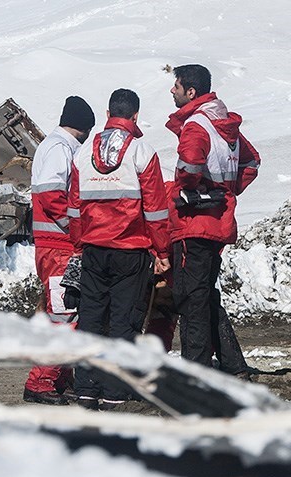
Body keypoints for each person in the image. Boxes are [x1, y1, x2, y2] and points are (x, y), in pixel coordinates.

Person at [68, 88, 171, 410]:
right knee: (124, 321)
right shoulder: (142, 152)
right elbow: (155, 208)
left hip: (93, 250)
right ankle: (114, 392)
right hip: (131, 249)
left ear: (108, 112)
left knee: (91, 319)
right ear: (135, 116)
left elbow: (74, 207)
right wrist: (162, 251)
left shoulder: (83, 154)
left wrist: (78, 243)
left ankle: (86, 387)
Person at [165, 64, 260, 378]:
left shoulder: (196, 125)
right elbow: (252, 161)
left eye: (175, 86)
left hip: (194, 223)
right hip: (217, 222)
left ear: (191, 92)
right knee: (204, 293)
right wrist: (226, 192)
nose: (171, 91)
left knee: (190, 298)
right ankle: (233, 365)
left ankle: (197, 373)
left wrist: (188, 190)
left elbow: (189, 166)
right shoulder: (224, 124)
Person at [22, 96, 95, 405]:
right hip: (58, 249)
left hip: (55, 247)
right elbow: (53, 197)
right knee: (64, 317)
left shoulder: (55, 147)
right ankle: (40, 383)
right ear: (86, 128)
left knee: (65, 314)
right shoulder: (60, 149)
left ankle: (57, 379)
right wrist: (78, 227)